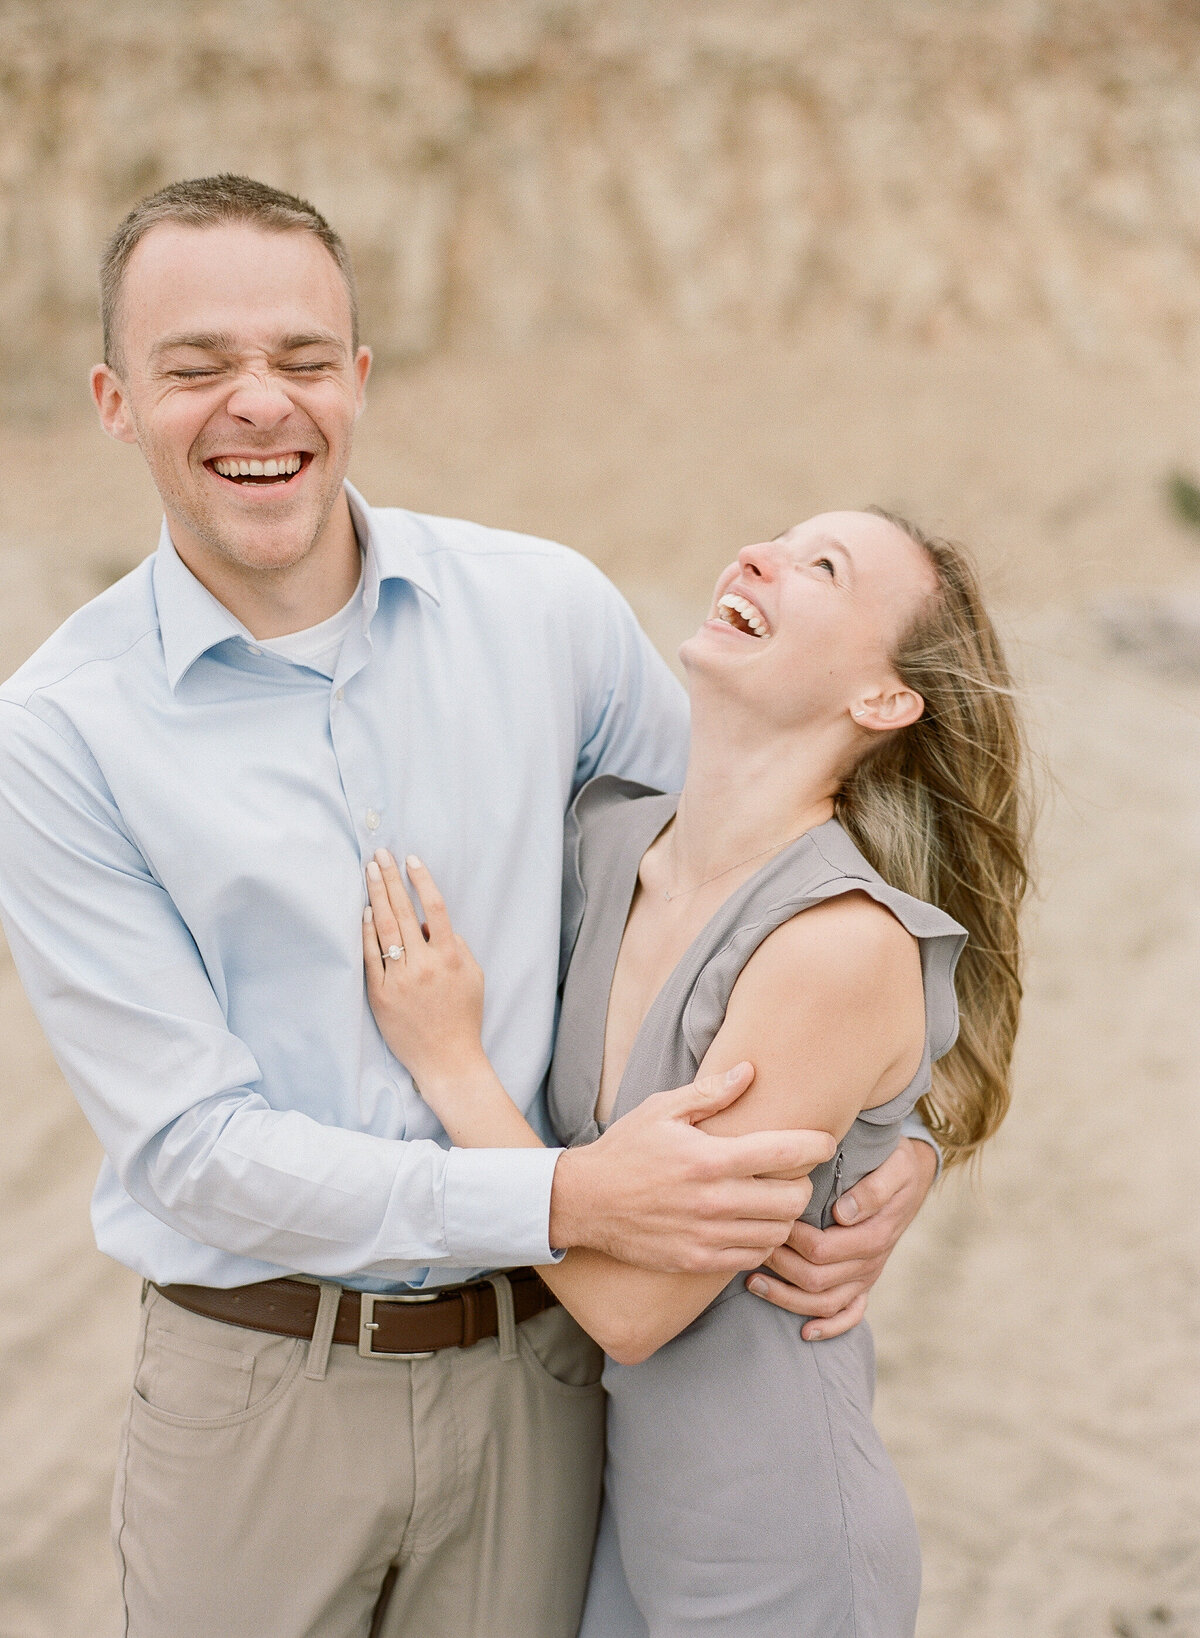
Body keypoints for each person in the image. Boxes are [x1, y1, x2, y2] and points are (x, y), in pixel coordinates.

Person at [0, 175, 940, 1638]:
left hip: (541, 1385)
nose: (262, 403)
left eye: (304, 359)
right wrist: (561, 1195)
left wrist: (899, 1125)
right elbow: (191, 1147)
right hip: (256, 1392)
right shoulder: (58, 733)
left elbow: (760, 867)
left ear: (359, 379)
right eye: (199, 369)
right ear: (118, 401)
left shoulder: (546, 613)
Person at [361, 508, 1030, 1636]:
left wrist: (451, 1066)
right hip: (613, 1520)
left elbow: (632, 1308)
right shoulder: (610, 842)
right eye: (773, 537)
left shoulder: (835, 943)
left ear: (883, 701)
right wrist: (904, 1136)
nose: (758, 555)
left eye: (825, 568)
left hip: (776, 1548)